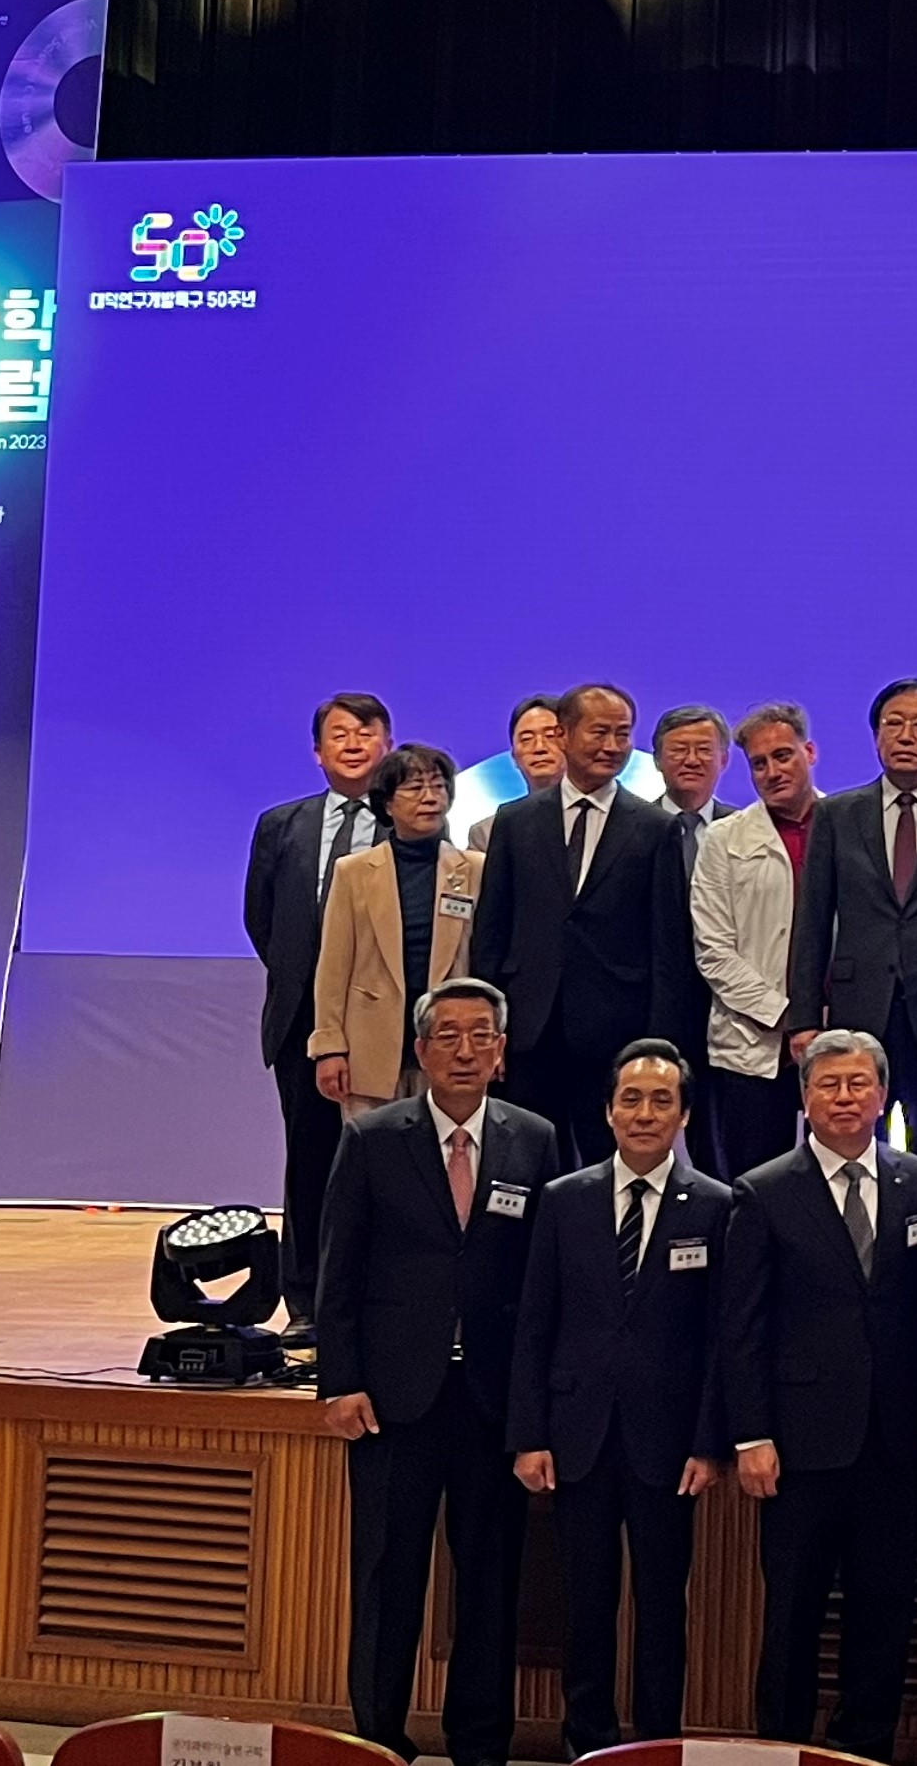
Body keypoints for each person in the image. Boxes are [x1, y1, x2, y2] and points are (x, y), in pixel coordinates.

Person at [316, 977, 560, 1766]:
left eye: (480, 1035)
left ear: (500, 1052)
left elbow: (542, 1284)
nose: (465, 1050)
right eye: (448, 1035)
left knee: (489, 1582)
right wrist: (340, 1380)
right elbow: (338, 1272)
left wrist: (536, 1407)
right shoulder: (373, 1138)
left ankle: (479, 1744)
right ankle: (377, 1740)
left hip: (491, 1401)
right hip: (394, 1399)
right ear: (420, 1051)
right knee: (387, 1579)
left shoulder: (535, 1139)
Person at [712, 1030, 917, 1761]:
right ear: (806, 1098)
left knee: (885, 1612)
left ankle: (864, 1751)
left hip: (893, 1440)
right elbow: (740, 1329)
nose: (844, 1099)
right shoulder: (763, 1190)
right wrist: (751, 1436)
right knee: (792, 1615)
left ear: (881, 1095)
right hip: (798, 1443)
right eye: (828, 1086)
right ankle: (780, 1749)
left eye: (858, 1085)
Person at [510, 1041, 730, 1759]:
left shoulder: (717, 1207)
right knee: (585, 1604)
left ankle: (657, 1746)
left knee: (664, 1607)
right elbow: (535, 1323)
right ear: (607, 1111)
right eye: (630, 1099)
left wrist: (707, 1441)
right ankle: (588, 1745)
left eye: (661, 1100)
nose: (644, 1113)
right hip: (577, 1435)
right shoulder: (564, 1200)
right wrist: (529, 1433)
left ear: (684, 1114)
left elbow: (720, 1341)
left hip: (669, 1447)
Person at [472, 682, 688, 1167]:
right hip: (528, 1031)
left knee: (608, 1168)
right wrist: (489, 1032)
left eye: (623, 734)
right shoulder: (514, 821)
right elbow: (492, 933)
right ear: (563, 735)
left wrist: (658, 1045)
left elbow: (669, 945)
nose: (612, 746)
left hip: (617, 1031)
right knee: (521, 1167)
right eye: (599, 732)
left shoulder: (654, 827)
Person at [787, 676, 917, 1154]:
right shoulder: (838, 814)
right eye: (893, 724)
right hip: (857, 1011)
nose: (906, 736)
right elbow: (813, 919)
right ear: (875, 734)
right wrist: (802, 1019)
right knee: (852, 1144)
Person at [249, 689, 387, 1323]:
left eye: (366, 733)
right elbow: (262, 920)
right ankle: (304, 1299)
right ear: (317, 751)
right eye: (340, 734)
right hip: (302, 1021)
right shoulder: (283, 825)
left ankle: (377, 1297)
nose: (354, 744)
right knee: (307, 1160)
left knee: (383, 1163)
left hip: (385, 1024)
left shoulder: (406, 825)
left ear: (386, 747)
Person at [310, 743, 481, 1111]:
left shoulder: (477, 869)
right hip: (369, 1046)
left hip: (451, 1044)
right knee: (374, 1161)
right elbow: (334, 967)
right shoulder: (353, 871)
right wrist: (329, 1046)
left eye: (438, 786)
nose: (430, 798)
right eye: (415, 788)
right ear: (387, 803)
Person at [692, 703, 819, 1176]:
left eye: (783, 756)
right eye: (759, 764)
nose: (772, 771)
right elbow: (713, 950)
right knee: (751, 1183)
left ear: (810, 752)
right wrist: (787, 1016)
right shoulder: (724, 839)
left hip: (836, 1032)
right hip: (751, 1040)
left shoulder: (848, 823)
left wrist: (821, 1017)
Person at [649, 704, 729, 1165]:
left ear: (724, 759)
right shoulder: (633, 828)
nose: (692, 760)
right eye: (679, 750)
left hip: (734, 1012)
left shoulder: (748, 829)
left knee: (721, 1143)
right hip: (654, 1008)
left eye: (704, 750)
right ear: (657, 759)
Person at [469, 696, 567, 851]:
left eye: (550, 736)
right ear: (514, 756)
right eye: (526, 739)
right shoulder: (488, 834)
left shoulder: (604, 817)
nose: (539, 747)